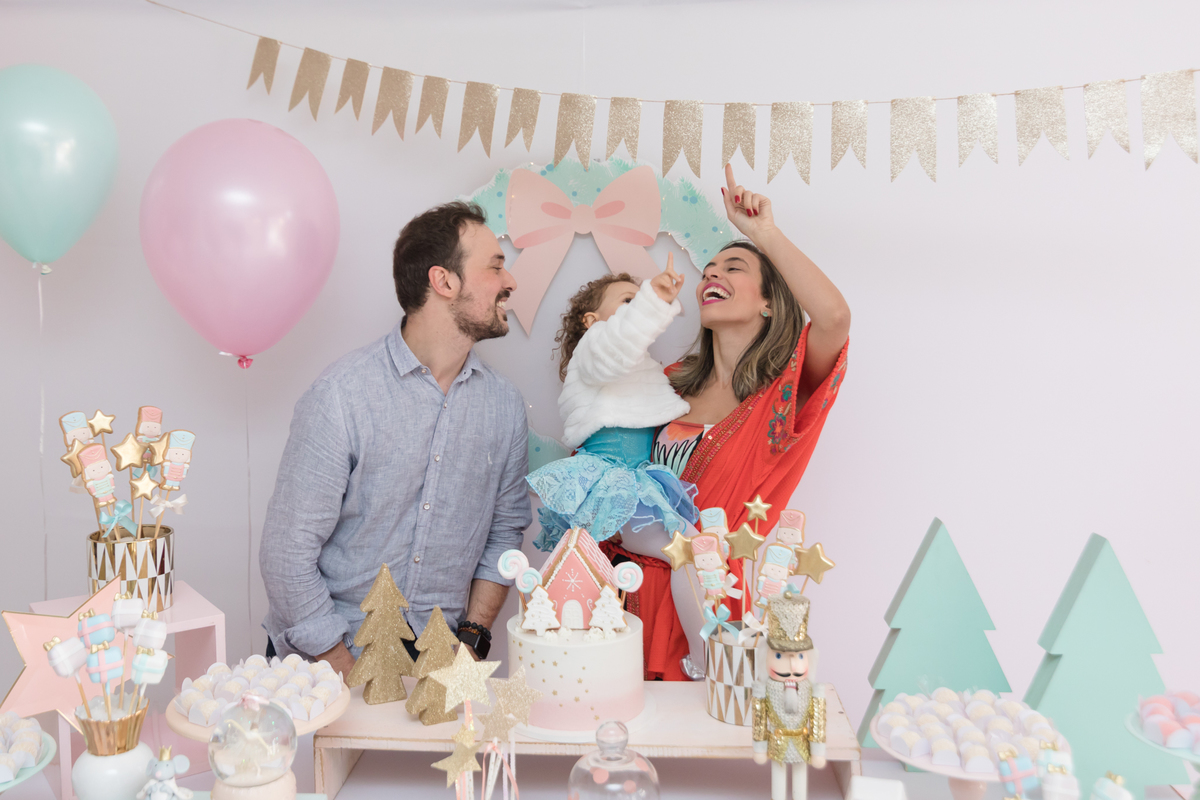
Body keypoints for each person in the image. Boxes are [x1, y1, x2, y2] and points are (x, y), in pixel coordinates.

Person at [260, 202, 533, 677]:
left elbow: (503, 534)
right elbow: (287, 555)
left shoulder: (505, 407)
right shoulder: (341, 396)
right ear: (444, 282)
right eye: (495, 266)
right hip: (325, 666)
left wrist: (469, 644)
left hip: (438, 670)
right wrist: (344, 670)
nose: (510, 282)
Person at [602, 165, 851, 680]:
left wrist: (762, 233)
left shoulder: (782, 397)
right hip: (623, 597)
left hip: (706, 605)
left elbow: (833, 319)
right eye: (709, 269)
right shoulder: (666, 384)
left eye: (733, 267)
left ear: (768, 303)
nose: (712, 274)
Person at [525, 254, 699, 552]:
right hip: (612, 480)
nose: (638, 307)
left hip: (634, 478)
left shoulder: (635, 363)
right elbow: (618, 343)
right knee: (691, 551)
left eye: (639, 300)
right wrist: (653, 300)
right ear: (592, 321)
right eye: (629, 301)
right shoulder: (596, 343)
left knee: (690, 551)